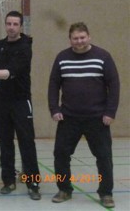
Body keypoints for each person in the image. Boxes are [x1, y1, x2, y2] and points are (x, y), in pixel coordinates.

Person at [48, 22, 120, 208]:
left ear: (89, 37)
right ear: (70, 39)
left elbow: (114, 86)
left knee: (104, 156)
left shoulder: (103, 56)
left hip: (97, 118)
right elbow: (53, 85)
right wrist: (55, 109)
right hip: (68, 117)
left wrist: (110, 112)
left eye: (82, 37)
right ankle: (64, 189)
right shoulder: (62, 58)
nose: (79, 41)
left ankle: (106, 193)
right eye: (75, 38)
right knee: (61, 154)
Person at [0, 10, 41, 200]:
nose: (11, 27)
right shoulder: (0, 45)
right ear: (5, 25)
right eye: (8, 23)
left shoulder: (25, 46)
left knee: (26, 142)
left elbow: (7, 72)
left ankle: (33, 183)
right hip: (2, 102)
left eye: (15, 24)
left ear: (20, 26)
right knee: (5, 142)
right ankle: (8, 181)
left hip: (21, 102)